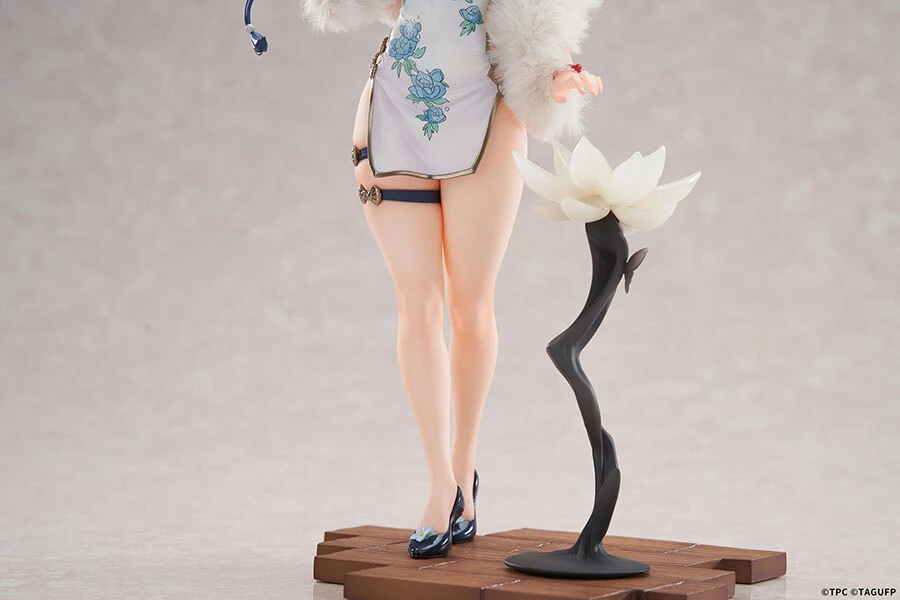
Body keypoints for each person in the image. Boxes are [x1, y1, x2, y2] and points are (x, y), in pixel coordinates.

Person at [302, 0, 604, 559]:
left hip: (486, 115)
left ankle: (463, 470)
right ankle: (440, 484)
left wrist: (556, 76)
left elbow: (538, 24)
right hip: (392, 111)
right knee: (416, 306)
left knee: (470, 308)